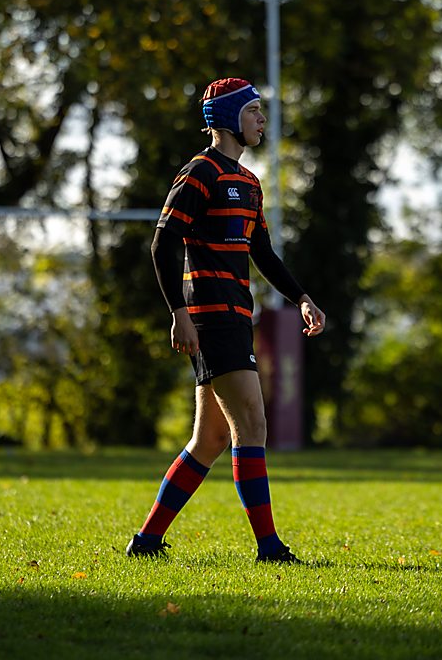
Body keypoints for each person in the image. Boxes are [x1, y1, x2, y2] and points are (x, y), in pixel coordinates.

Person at [125, 77, 326, 564]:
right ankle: (270, 548)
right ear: (229, 117)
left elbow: (263, 252)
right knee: (252, 424)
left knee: (210, 438)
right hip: (210, 316)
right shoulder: (199, 172)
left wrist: (301, 297)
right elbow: (163, 243)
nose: (262, 119)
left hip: (237, 314)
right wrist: (179, 314)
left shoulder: (250, 184)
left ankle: (146, 541)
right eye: (253, 110)